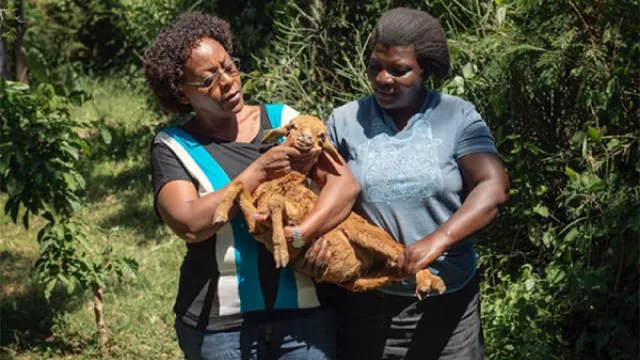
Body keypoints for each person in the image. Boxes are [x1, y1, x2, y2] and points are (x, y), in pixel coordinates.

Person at [143, 11, 359, 360]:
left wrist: (303, 233)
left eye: (229, 67)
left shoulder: (283, 120)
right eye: (208, 79)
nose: (227, 82)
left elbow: (344, 186)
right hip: (220, 329)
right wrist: (257, 170)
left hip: (305, 318)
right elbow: (189, 223)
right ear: (182, 94)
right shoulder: (174, 146)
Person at [325, 8, 510, 360]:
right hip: (370, 305)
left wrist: (438, 240)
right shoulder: (345, 121)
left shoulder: (457, 115)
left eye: (399, 70)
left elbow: (493, 185)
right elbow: (325, 197)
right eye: (375, 67)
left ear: (424, 70)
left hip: (449, 303)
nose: (383, 78)